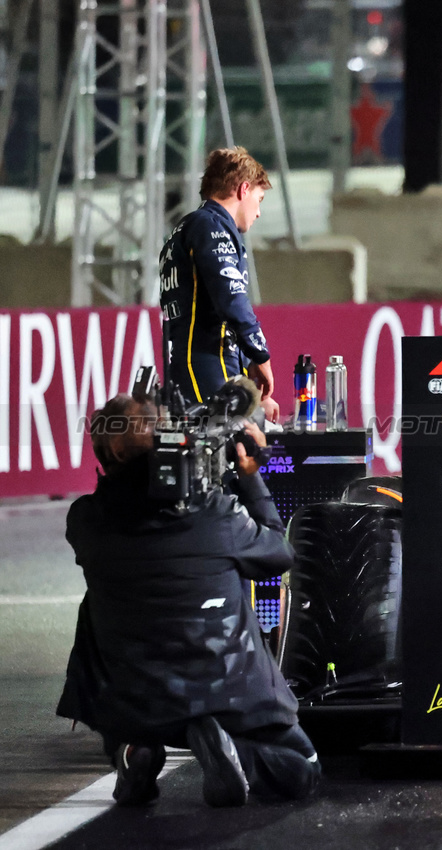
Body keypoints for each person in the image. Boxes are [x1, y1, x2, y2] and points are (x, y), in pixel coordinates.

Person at [57, 390, 321, 807]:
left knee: (102, 607)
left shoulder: (85, 520)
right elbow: (278, 553)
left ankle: (131, 749)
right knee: (303, 767)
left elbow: (122, 495)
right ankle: (234, 749)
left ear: (105, 459)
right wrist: (250, 476)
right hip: (231, 692)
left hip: (133, 697)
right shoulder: (217, 514)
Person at [160, 146, 280, 423]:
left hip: (194, 364)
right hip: (206, 365)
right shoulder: (209, 226)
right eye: (259, 199)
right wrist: (260, 356)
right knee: (227, 455)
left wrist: (248, 368)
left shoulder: (187, 228)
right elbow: (231, 299)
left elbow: (211, 306)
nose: (258, 212)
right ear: (243, 189)